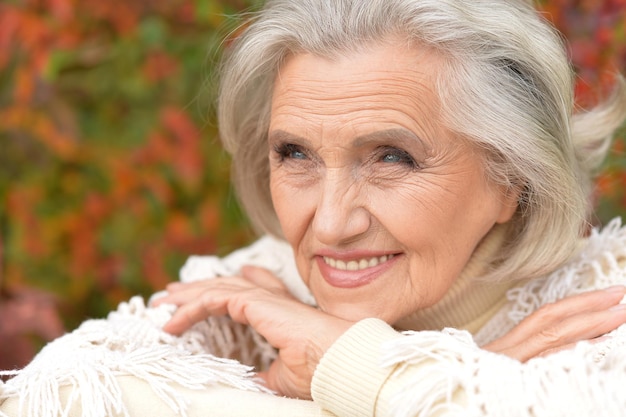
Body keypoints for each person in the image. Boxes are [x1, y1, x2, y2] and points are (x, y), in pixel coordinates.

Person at [2, 0, 626, 416]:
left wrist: (344, 366)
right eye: (295, 154)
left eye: (391, 158)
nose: (329, 224)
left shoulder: (608, 310)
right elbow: (55, 392)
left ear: (510, 177)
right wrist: (453, 383)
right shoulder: (257, 287)